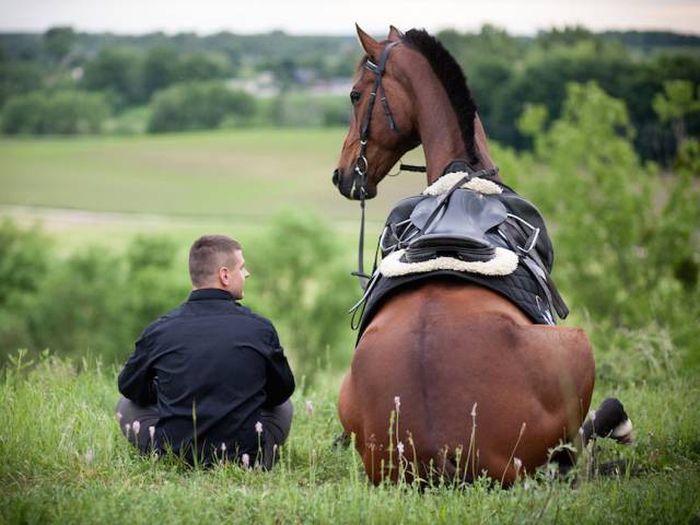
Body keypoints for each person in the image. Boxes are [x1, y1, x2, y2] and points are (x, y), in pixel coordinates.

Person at [116, 234, 295, 468]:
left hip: (176, 453)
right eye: (242, 267)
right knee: (285, 406)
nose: (247, 273)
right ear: (224, 275)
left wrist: (169, 392)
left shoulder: (159, 329)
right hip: (247, 458)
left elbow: (129, 387)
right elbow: (281, 392)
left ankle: (168, 456)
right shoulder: (260, 328)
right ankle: (257, 457)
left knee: (125, 405)